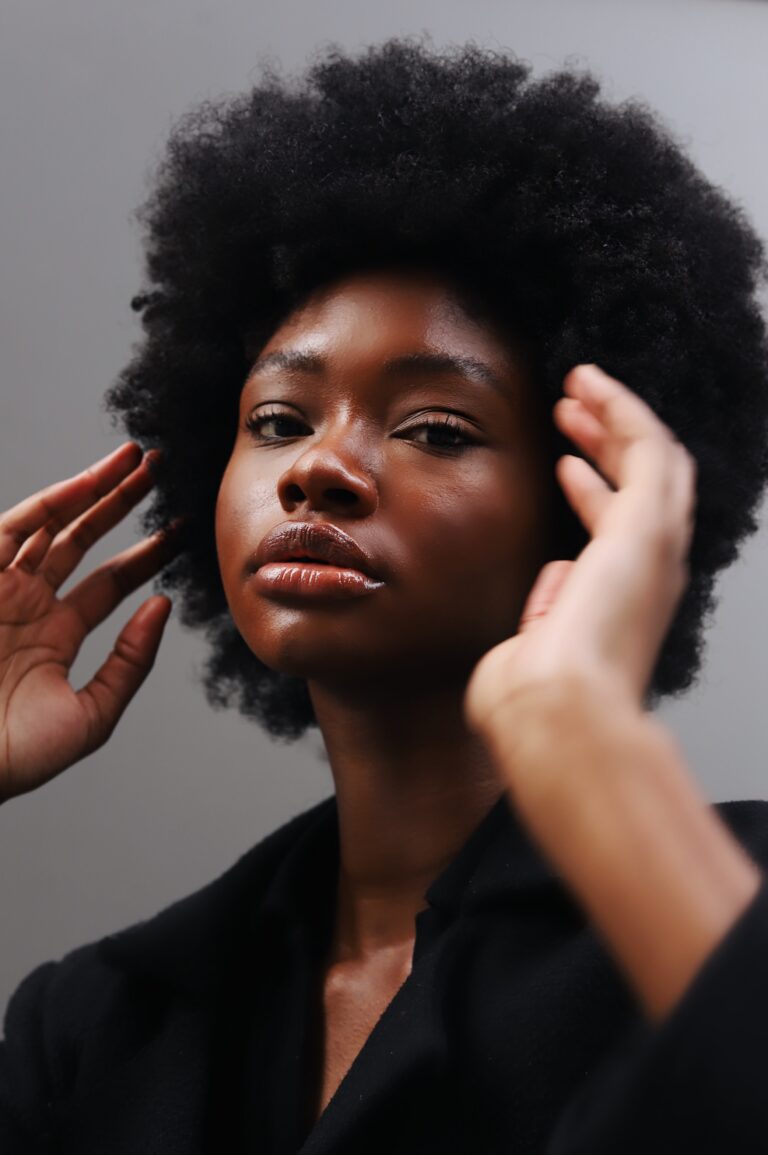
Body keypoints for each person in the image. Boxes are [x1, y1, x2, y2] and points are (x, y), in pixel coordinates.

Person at [2, 34, 768, 1155]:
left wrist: (579, 738)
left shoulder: (716, 910)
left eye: (434, 429)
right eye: (278, 421)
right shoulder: (96, 1023)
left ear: (583, 513)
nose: (317, 467)